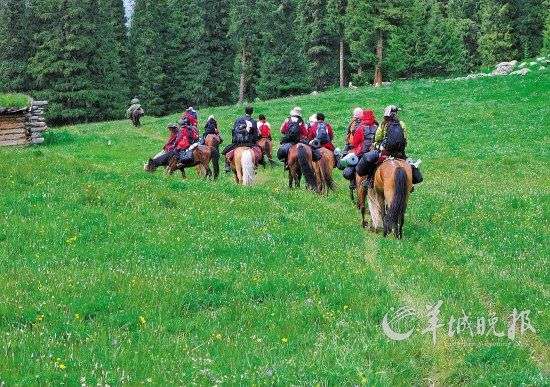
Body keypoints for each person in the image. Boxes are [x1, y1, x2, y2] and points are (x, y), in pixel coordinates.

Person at [356, 105, 422, 187]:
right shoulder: (401, 124)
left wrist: (377, 144)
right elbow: (405, 138)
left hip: (386, 152)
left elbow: (377, 138)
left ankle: (369, 179)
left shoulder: (384, 124)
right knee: (409, 164)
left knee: (373, 163)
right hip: (400, 153)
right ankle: (410, 184)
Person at [341, 110, 378, 189]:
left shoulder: (360, 127)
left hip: (362, 151)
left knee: (353, 162)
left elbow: (355, 142)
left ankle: (353, 182)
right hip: (374, 151)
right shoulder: (376, 127)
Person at [222, 106, 260, 172]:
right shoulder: (253, 121)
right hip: (249, 143)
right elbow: (255, 134)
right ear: (252, 112)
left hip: (238, 143)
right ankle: (255, 165)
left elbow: (234, 130)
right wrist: (255, 141)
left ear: (245, 111)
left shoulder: (238, 120)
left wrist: (234, 140)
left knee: (226, 151)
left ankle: (227, 165)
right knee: (258, 152)